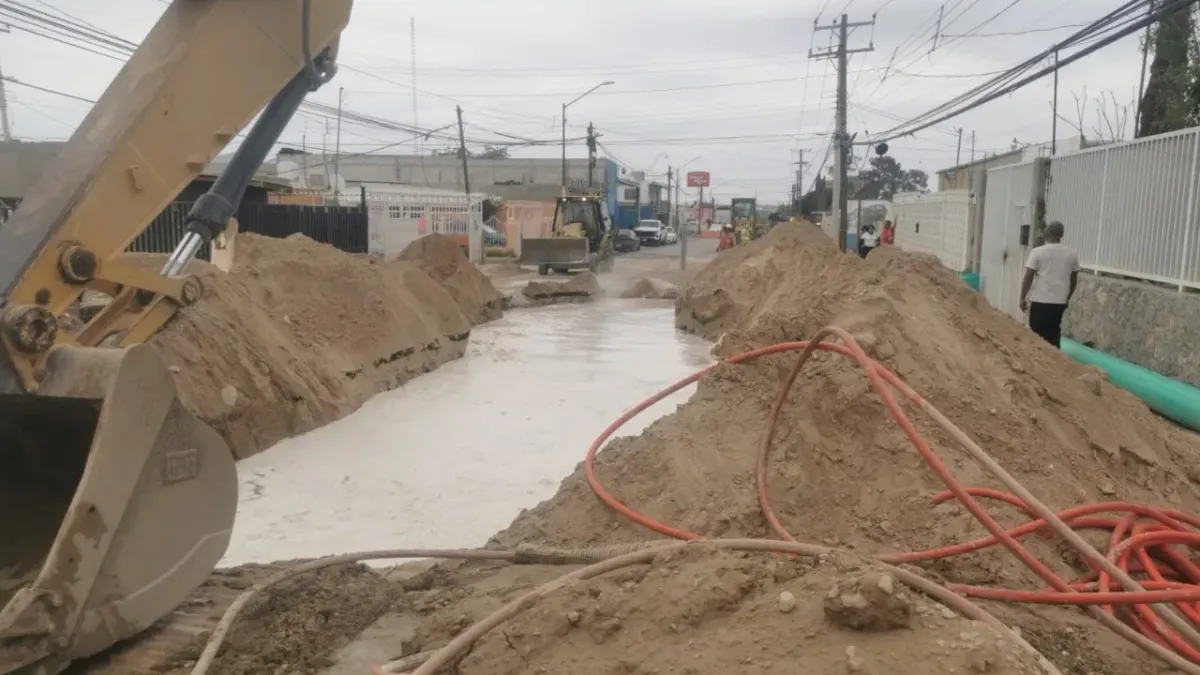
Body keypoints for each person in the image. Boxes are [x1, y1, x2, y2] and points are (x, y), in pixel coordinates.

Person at [1019, 220, 1079, 349]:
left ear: (1047, 233)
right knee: (1053, 333)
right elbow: (1073, 281)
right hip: (1059, 303)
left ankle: (1039, 364)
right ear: (1061, 235)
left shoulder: (1037, 252)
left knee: (1036, 334)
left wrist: (1022, 298)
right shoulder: (1072, 254)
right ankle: (1056, 363)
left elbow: (1028, 277)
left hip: (1041, 301)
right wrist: (1067, 299)